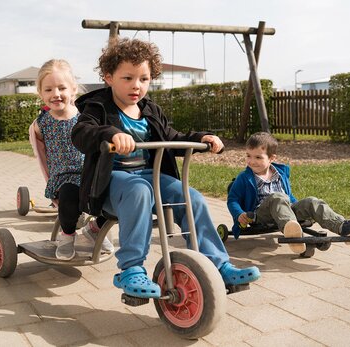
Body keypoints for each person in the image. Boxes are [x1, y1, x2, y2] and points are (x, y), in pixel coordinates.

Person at [71, 38, 260, 299]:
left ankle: (217, 263)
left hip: (150, 177)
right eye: (127, 78)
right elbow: (81, 133)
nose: (136, 85)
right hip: (112, 183)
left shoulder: (151, 110)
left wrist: (200, 139)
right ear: (109, 77)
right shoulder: (97, 107)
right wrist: (110, 134)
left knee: (191, 197)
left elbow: (171, 136)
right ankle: (131, 268)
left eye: (144, 79)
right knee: (139, 190)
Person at [227, 131, 350, 253]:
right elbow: (232, 199)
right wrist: (239, 214)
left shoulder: (281, 173)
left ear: (272, 158)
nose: (251, 161)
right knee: (277, 197)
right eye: (248, 156)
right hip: (260, 215)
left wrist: (301, 208)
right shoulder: (244, 178)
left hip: (284, 211)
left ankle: (343, 227)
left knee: (312, 201)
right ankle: (292, 232)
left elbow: (288, 197)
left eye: (258, 157)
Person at [33, 59, 114, 260]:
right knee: (69, 198)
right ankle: (67, 236)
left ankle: (95, 229)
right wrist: (49, 180)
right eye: (49, 89)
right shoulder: (40, 124)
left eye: (62, 88)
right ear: (41, 93)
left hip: (90, 173)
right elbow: (39, 152)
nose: (56, 94)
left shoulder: (85, 118)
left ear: (73, 89)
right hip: (64, 177)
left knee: (114, 196)